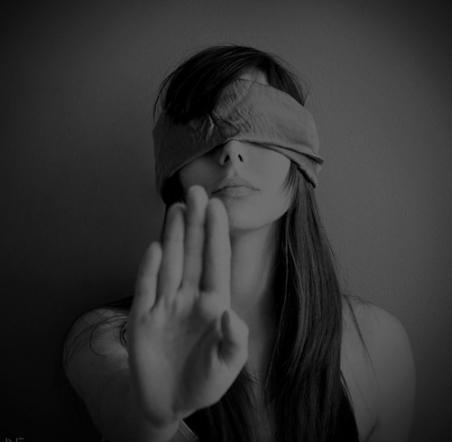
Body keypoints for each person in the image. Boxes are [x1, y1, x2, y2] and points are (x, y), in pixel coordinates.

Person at [62, 44, 416, 442]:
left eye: (260, 126)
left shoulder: (379, 347)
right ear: (174, 170)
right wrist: (153, 416)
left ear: (300, 160)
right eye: (202, 126)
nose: (231, 150)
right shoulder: (106, 337)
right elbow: (117, 402)